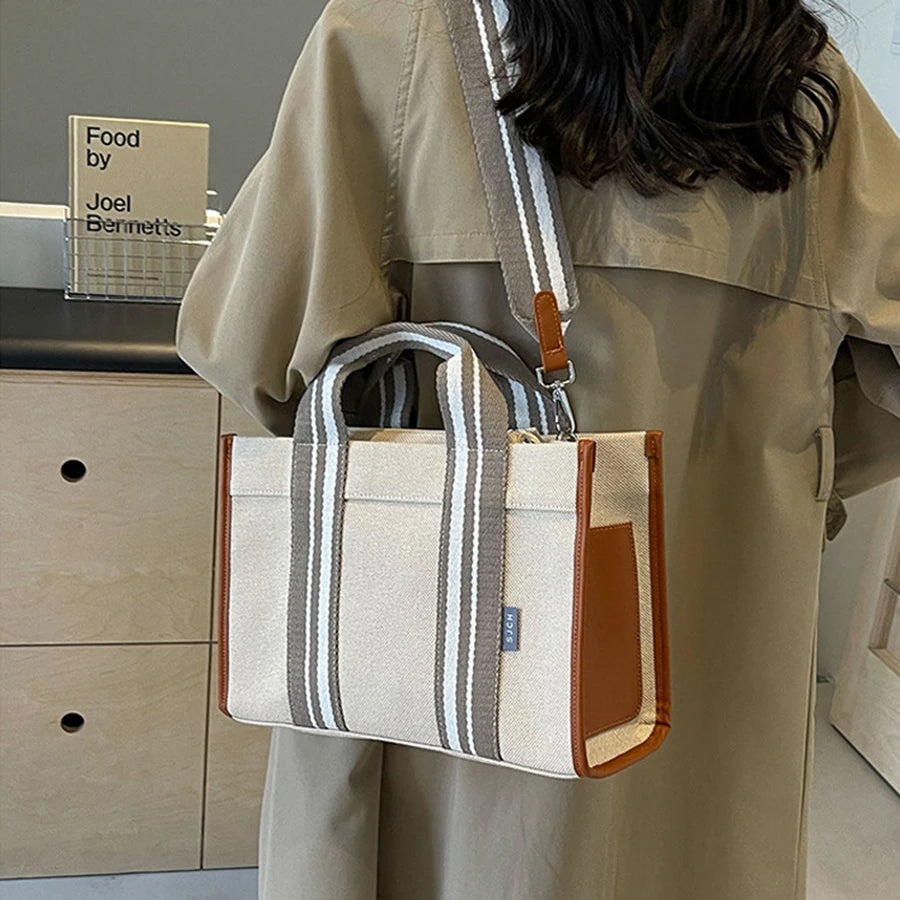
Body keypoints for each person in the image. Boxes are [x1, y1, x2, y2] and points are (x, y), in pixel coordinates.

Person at [175, 0, 900, 897]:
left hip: (434, 677)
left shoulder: (388, 39)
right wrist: (786, 490)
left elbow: (251, 345)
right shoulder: (799, 79)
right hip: (707, 681)